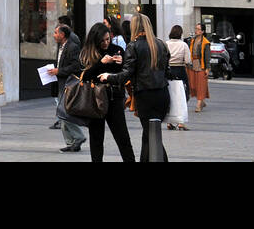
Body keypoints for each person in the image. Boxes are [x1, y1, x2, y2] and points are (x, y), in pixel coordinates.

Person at [77, 22, 135, 163]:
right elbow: (83, 77)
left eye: (108, 39)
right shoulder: (87, 52)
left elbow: (125, 74)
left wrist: (121, 62)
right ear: (95, 40)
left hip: (115, 98)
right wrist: (100, 63)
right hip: (95, 100)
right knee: (96, 139)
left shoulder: (117, 49)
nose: (106, 43)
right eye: (102, 41)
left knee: (122, 137)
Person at [126, 13, 170, 162]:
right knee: (149, 135)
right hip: (162, 94)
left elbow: (128, 73)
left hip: (145, 95)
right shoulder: (161, 44)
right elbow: (167, 71)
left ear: (135, 27)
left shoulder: (134, 45)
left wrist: (109, 76)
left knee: (150, 136)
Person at [51, 23, 87, 150]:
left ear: (62, 34)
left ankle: (78, 137)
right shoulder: (61, 47)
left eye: (56, 33)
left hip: (69, 84)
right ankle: (72, 143)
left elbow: (75, 66)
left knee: (64, 113)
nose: (54, 35)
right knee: (63, 114)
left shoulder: (72, 47)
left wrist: (59, 71)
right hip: (61, 84)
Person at [165, 24, 190, 130]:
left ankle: (169, 122)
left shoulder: (165, 44)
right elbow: (188, 61)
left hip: (168, 71)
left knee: (170, 95)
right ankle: (180, 122)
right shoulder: (183, 45)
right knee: (183, 95)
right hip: (180, 71)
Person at [188, 22, 210, 112]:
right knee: (193, 85)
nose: (196, 31)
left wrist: (207, 68)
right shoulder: (192, 40)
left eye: (198, 29)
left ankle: (198, 104)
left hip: (201, 65)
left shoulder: (205, 42)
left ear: (202, 31)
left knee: (201, 84)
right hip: (192, 64)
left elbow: (207, 56)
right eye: (196, 29)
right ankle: (202, 101)